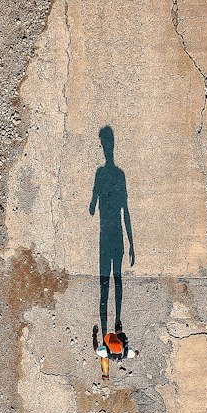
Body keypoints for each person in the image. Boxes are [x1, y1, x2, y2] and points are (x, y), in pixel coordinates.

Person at [89, 125, 134, 336]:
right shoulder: (117, 175)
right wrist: (132, 243)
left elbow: (92, 208)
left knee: (107, 282)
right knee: (114, 280)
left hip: (107, 235)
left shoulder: (104, 174)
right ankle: (115, 324)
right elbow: (124, 210)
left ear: (105, 146)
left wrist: (132, 243)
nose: (108, 147)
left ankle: (110, 327)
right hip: (113, 235)